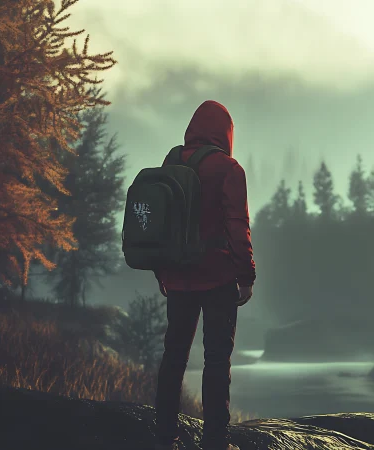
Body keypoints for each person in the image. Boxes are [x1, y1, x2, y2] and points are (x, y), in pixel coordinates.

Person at [153, 100, 256, 450]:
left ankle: (165, 437)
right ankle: (215, 441)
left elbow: (161, 222)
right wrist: (247, 276)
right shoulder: (229, 169)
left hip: (178, 277)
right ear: (226, 133)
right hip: (218, 279)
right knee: (216, 360)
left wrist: (162, 271)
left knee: (174, 356)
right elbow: (238, 227)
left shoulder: (171, 162)